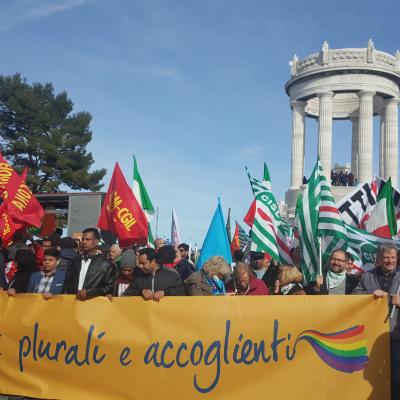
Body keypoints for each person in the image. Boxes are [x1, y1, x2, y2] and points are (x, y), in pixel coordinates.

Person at [352, 244, 400, 398]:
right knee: (371, 377)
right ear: (378, 259)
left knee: (396, 377)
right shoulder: (367, 276)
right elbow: (354, 296)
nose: (390, 260)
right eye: (386, 257)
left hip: (396, 337)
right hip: (371, 337)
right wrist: (370, 294)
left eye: (393, 257)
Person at [64, 228, 115, 300]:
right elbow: (67, 283)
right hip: (72, 303)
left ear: (97, 241)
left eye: (88, 239)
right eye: (83, 239)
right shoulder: (74, 260)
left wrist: (89, 292)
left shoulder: (106, 264)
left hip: (92, 305)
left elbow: (109, 288)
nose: (84, 242)